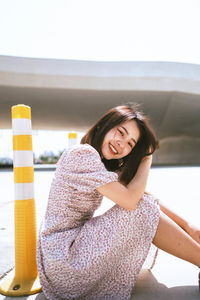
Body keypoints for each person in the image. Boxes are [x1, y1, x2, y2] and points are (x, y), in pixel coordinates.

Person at [37, 103, 200, 300]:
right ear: (104, 126)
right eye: (121, 132)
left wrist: (188, 227)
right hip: (65, 260)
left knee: (143, 205)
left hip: (64, 257)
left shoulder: (99, 164)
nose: (122, 144)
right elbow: (132, 202)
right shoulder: (81, 155)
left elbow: (142, 196)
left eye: (131, 143)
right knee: (139, 209)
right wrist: (147, 159)